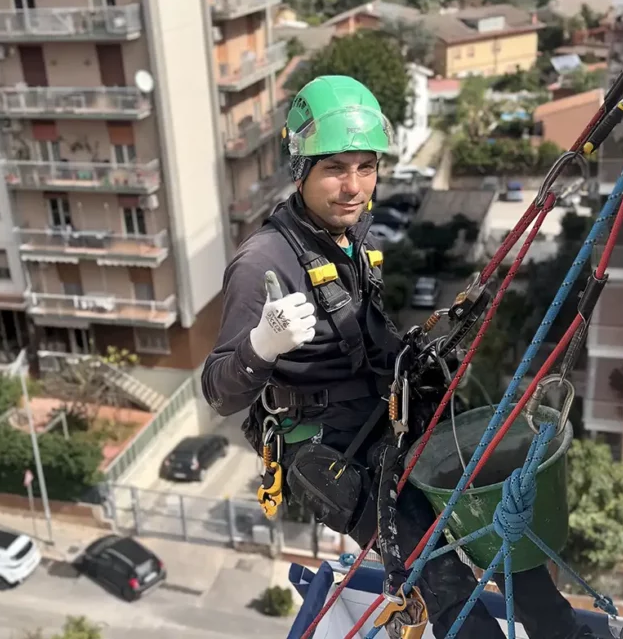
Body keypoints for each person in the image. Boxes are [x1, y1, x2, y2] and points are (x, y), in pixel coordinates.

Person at [202, 75, 593, 639]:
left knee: (494, 521)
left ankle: (565, 632)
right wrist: (261, 344)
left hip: (388, 421)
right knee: (439, 572)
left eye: (366, 167)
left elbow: (363, 342)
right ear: (300, 170)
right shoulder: (262, 264)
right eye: (335, 168)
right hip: (330, 449)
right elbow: (218, 391)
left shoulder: (350, 238)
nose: (354, 186)